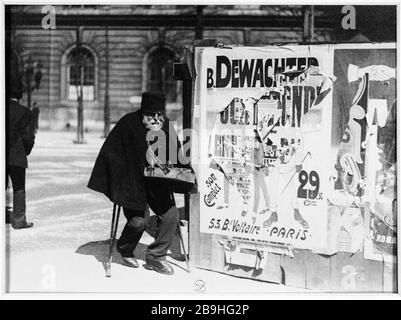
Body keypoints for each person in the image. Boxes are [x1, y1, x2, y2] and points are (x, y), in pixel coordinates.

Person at [88, 92, 181, 275]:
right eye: (151, 115)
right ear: (143, 112)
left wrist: (171, 166)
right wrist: (121, 174)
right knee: (139, 221)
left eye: (159, 114)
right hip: (132, 182)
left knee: (171, 215)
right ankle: (125, 247)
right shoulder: (128, 123)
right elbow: (110, 153)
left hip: (157, 183)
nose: (156, 118)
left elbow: (176, 152)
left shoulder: (166, 124)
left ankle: (156, 256)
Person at [6, 68, 35, 229]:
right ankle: (18, 220)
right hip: (16, 155)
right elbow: (28, 136)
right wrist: (26, 150)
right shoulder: (24, 112)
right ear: (20, 95)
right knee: (18, 187)